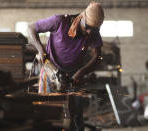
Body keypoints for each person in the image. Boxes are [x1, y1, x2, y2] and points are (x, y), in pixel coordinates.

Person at [28, 1, 104, 131]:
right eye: (88, 27)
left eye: (94, 30)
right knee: (47, 111)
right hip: (50, 72)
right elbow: (31, 28)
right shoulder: (59, 21)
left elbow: (98, 57)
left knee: (75, 116)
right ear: (82, 17)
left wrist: (81, 72)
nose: (89, 32)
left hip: (75, 76)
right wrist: (41, 50)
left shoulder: (93, 32)